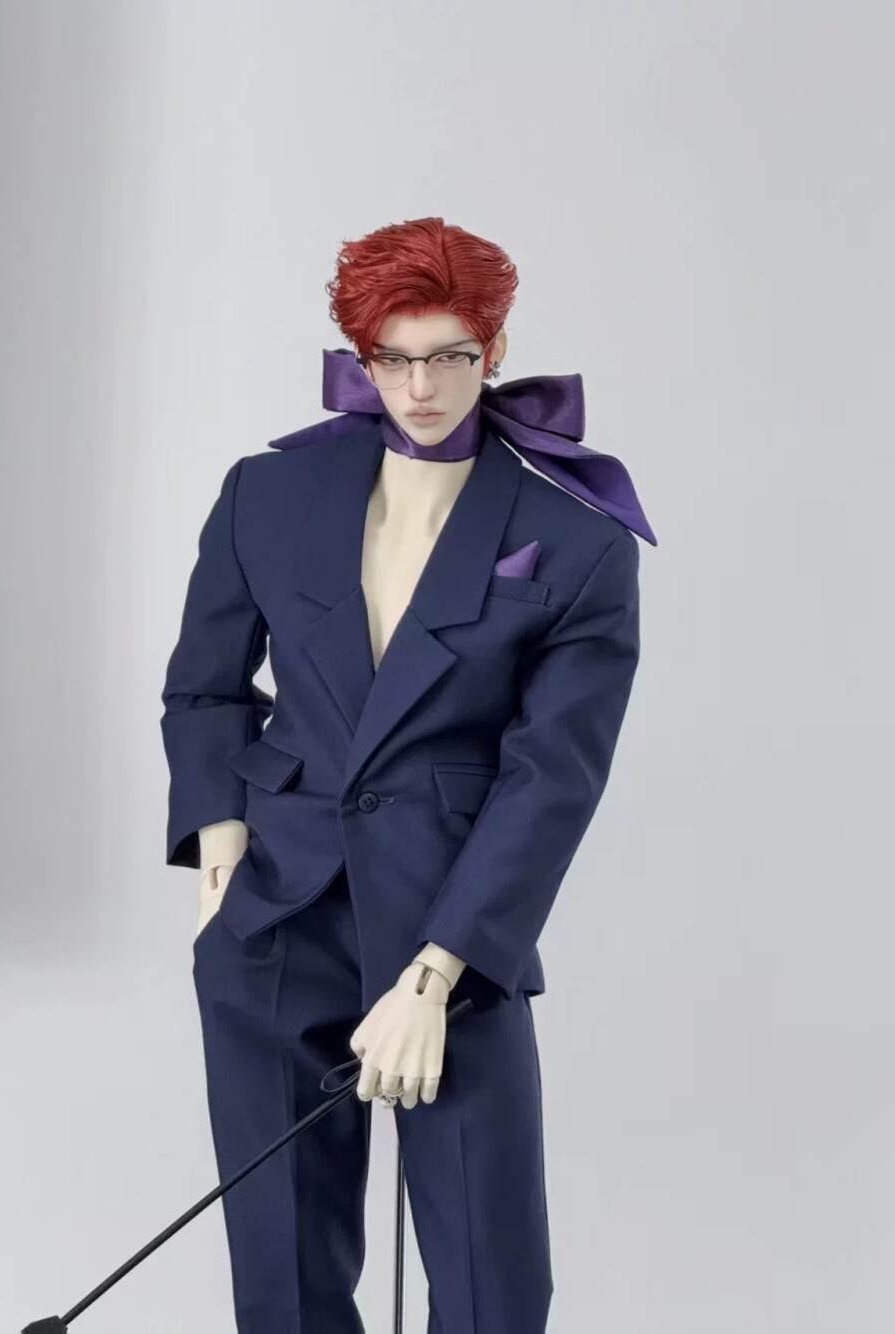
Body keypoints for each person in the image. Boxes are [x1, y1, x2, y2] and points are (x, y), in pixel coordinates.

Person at [160, 215, 654, 1333]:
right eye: (393, 358)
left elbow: (552, 776)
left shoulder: (578, 539)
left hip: (457, 928)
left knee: (489, 1282)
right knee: (281, 1278)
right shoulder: (265, 494)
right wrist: (222, 859)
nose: (421, 387)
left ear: (496, 348)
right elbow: (205, 686)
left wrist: (436, 975)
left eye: (450, 356)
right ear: (361, 356)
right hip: (274, 917)